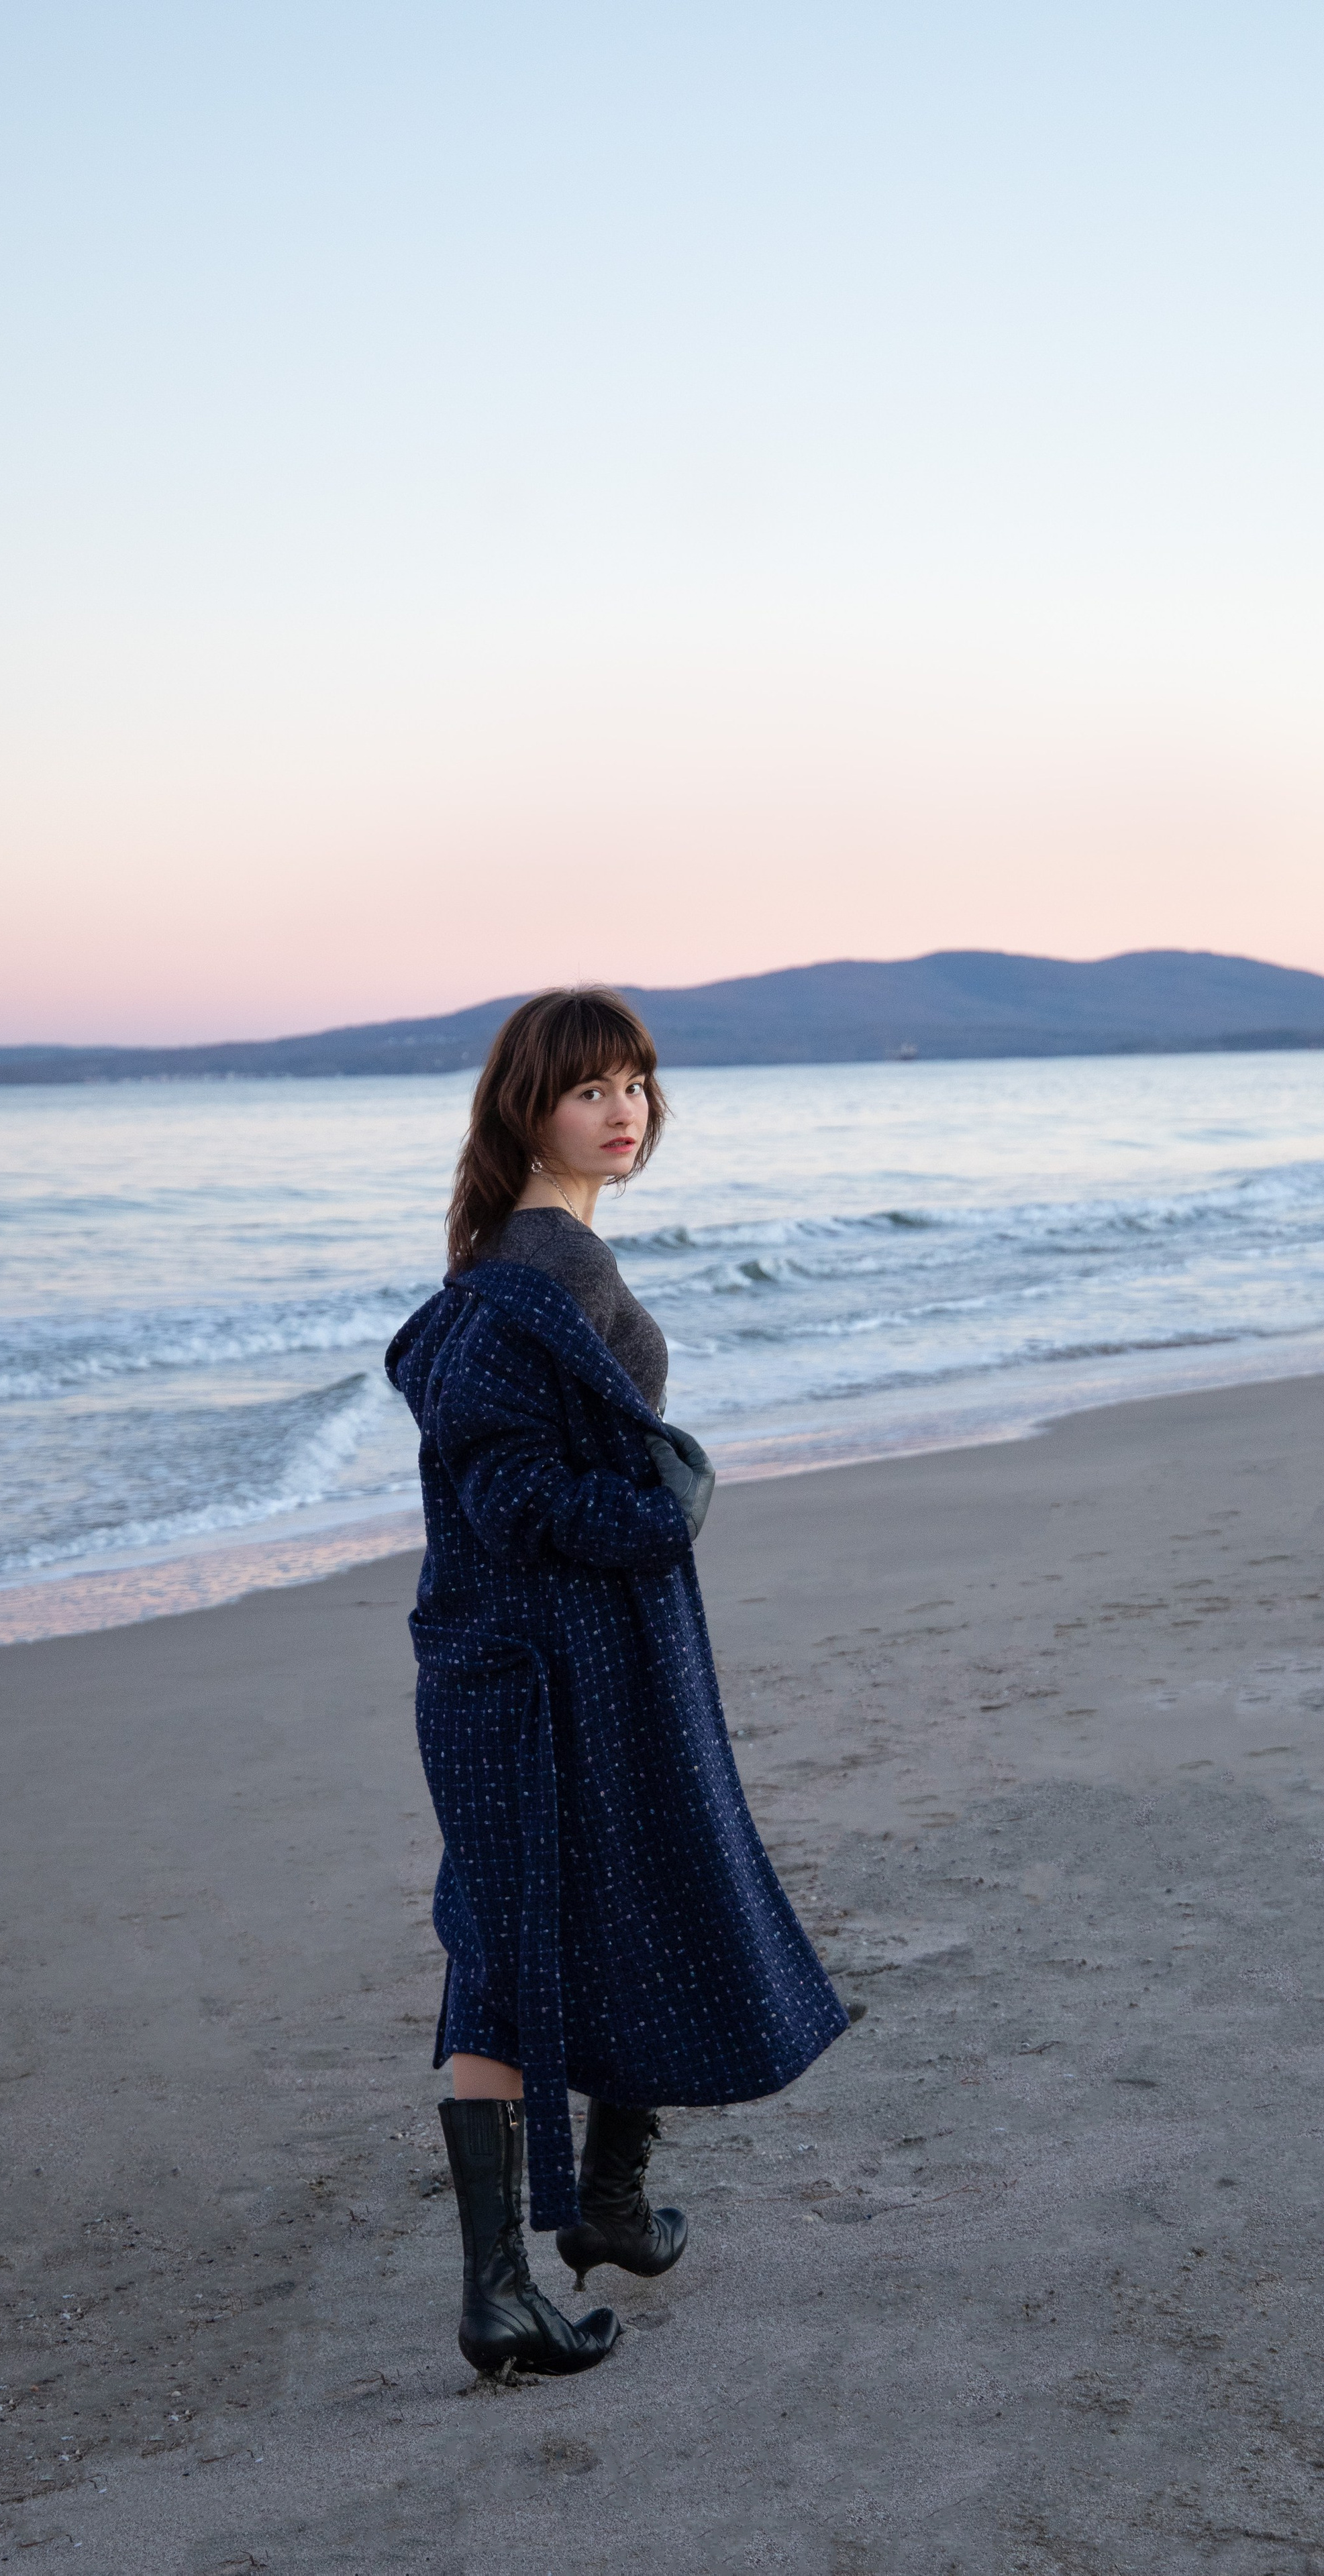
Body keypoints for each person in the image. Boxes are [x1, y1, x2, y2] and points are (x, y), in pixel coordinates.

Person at [385, 987, 848, 2378]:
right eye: (591, 1087)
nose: (623, 1108)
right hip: (529, 1677)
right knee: (506, 1953)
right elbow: (510, 1489)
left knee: (619, 1899)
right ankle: (497, 2295)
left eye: (636, 1082)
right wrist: (666, 1508)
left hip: (569, 1664)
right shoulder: (533, 1272)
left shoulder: (533, 1260)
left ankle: (606, 2205)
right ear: (525, 1107)